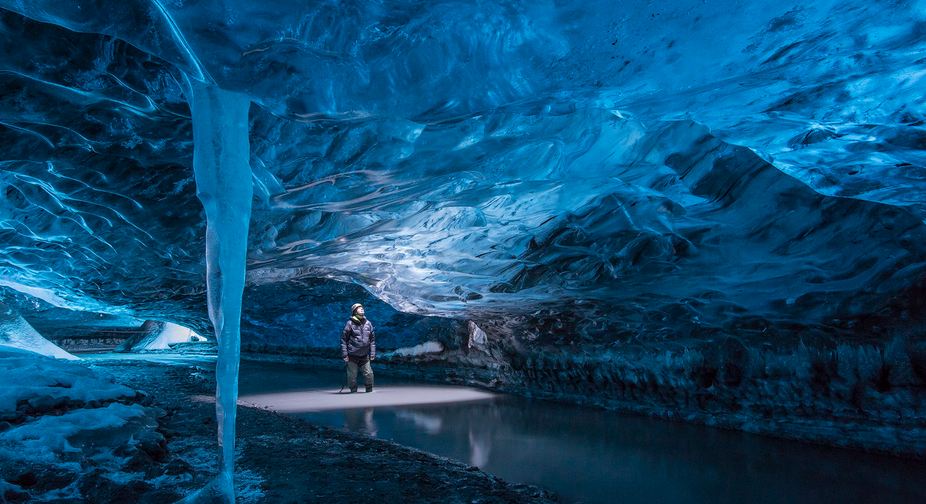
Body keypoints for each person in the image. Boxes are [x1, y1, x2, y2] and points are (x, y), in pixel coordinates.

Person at [340, 303, 375, 393]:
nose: (362, 309)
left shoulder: (368, 323)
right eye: (359, 308)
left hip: (364, 355)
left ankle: (369, 391)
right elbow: (344, 340)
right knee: (352, 376)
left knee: (369, 374)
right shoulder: (350, 323)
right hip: (352, 356)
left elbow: (372, 340)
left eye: (362, 308)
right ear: (355, 311)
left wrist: (372, 353)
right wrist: (345, 355)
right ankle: (353, 392)